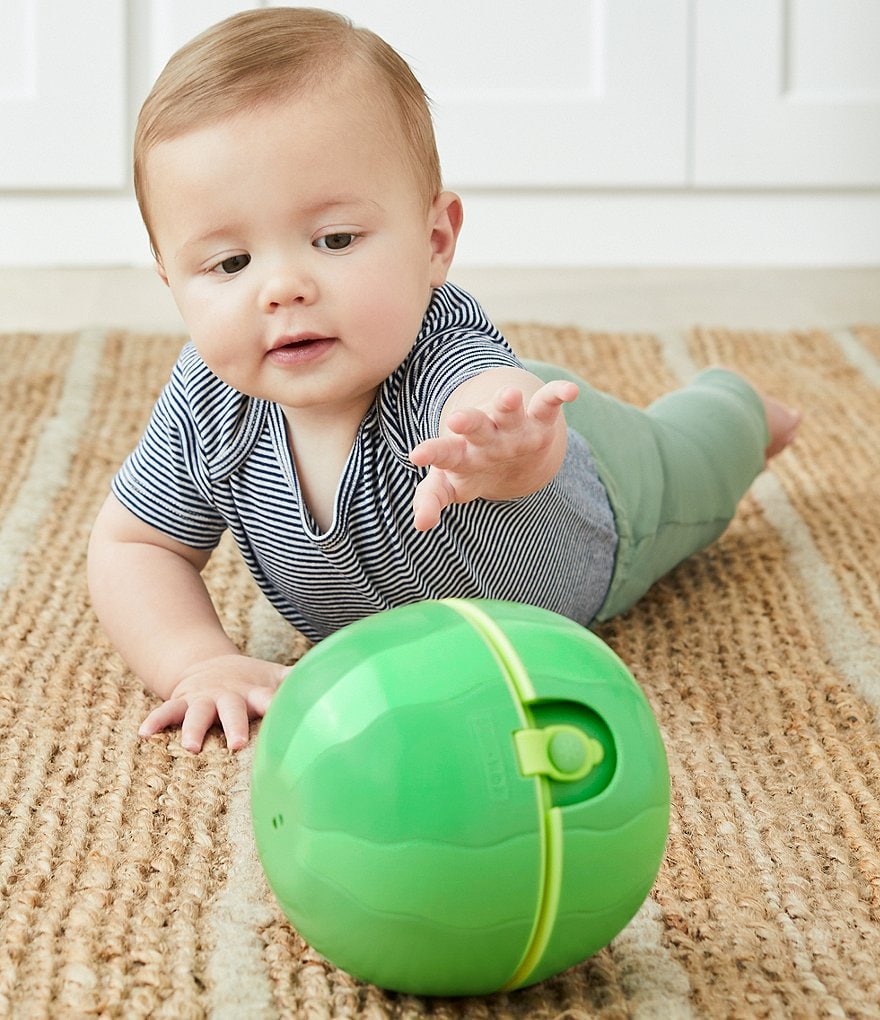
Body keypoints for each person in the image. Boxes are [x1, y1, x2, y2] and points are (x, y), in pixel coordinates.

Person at [88, 7, 800, 754]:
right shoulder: (208, 400)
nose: (282, 287)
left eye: (334, 239)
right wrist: (198, 662)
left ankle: (742, 406)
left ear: (434, 241)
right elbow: (136, 546)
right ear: (172, 281)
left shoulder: (442, 353)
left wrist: (508, 447)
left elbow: (483, 400)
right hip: (512, 419)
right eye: (230, 263)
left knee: (700, 457)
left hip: (597, 490)